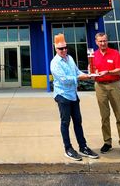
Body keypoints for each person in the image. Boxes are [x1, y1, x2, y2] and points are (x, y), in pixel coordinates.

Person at [50, 33, 99, 161]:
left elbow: (77, 71)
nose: (64, 50)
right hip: (62, 96)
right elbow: (64, 80)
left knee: (78, 122)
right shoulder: (55, 63)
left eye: (65, 47)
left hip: (73, 95)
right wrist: (80, 77)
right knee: (65, 122)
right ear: (56, 49)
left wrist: (88, 75)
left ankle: (83, 147)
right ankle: (68, 148)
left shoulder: (70, 58)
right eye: (61, 48)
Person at [91, 32, 120, 156]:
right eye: (100, 41)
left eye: (105, 41)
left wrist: (107, 71)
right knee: (104, 116)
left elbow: (119, 70)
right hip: (100, 87)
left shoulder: (114, 53)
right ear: (96, 42)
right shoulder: (93, 55)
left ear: (107, 41)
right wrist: (91, 72)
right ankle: (107, 142)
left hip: (114, 85)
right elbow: (92, 70)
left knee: (119, 115)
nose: (103, 43)